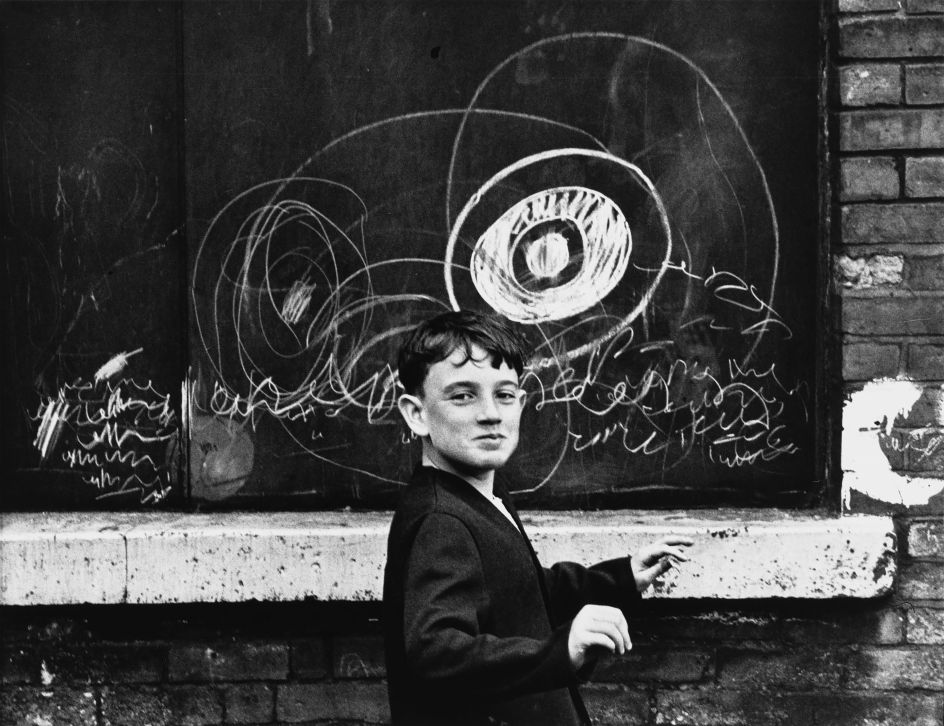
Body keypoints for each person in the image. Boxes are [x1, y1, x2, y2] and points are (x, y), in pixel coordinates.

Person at [383, 310, 693, 725]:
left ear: (522, 403)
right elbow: (436, 652)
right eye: (463, 396)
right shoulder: (443, 520)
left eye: (505, 395)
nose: (490, 414)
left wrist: (622, 577)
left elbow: (521, 584)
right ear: (416, 413)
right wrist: (559, 650)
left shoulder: (483, 495)